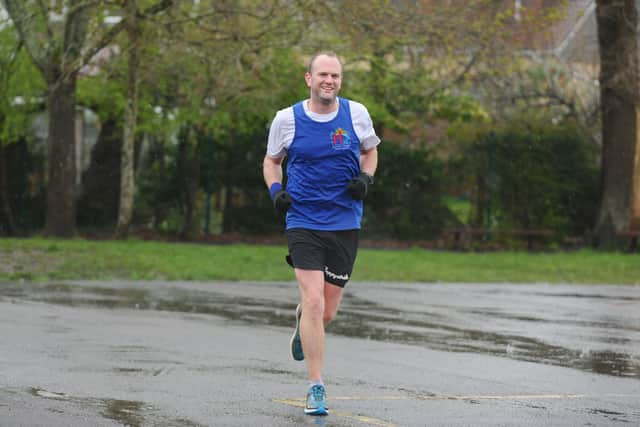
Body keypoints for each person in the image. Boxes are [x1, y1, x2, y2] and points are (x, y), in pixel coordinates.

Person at [262, 51, 380, 416]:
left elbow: (370, 153)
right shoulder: (287, 119)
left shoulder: (356, 114)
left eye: (335, 76)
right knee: (313, 300)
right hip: (303, 220)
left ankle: (304, 323)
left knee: (325, 313)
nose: (329, 81)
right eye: (323, 75)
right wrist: (276, 192)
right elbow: (271, 161)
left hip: (345, 222)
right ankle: (316, 387)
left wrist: (366, 178)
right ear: (308, 79)